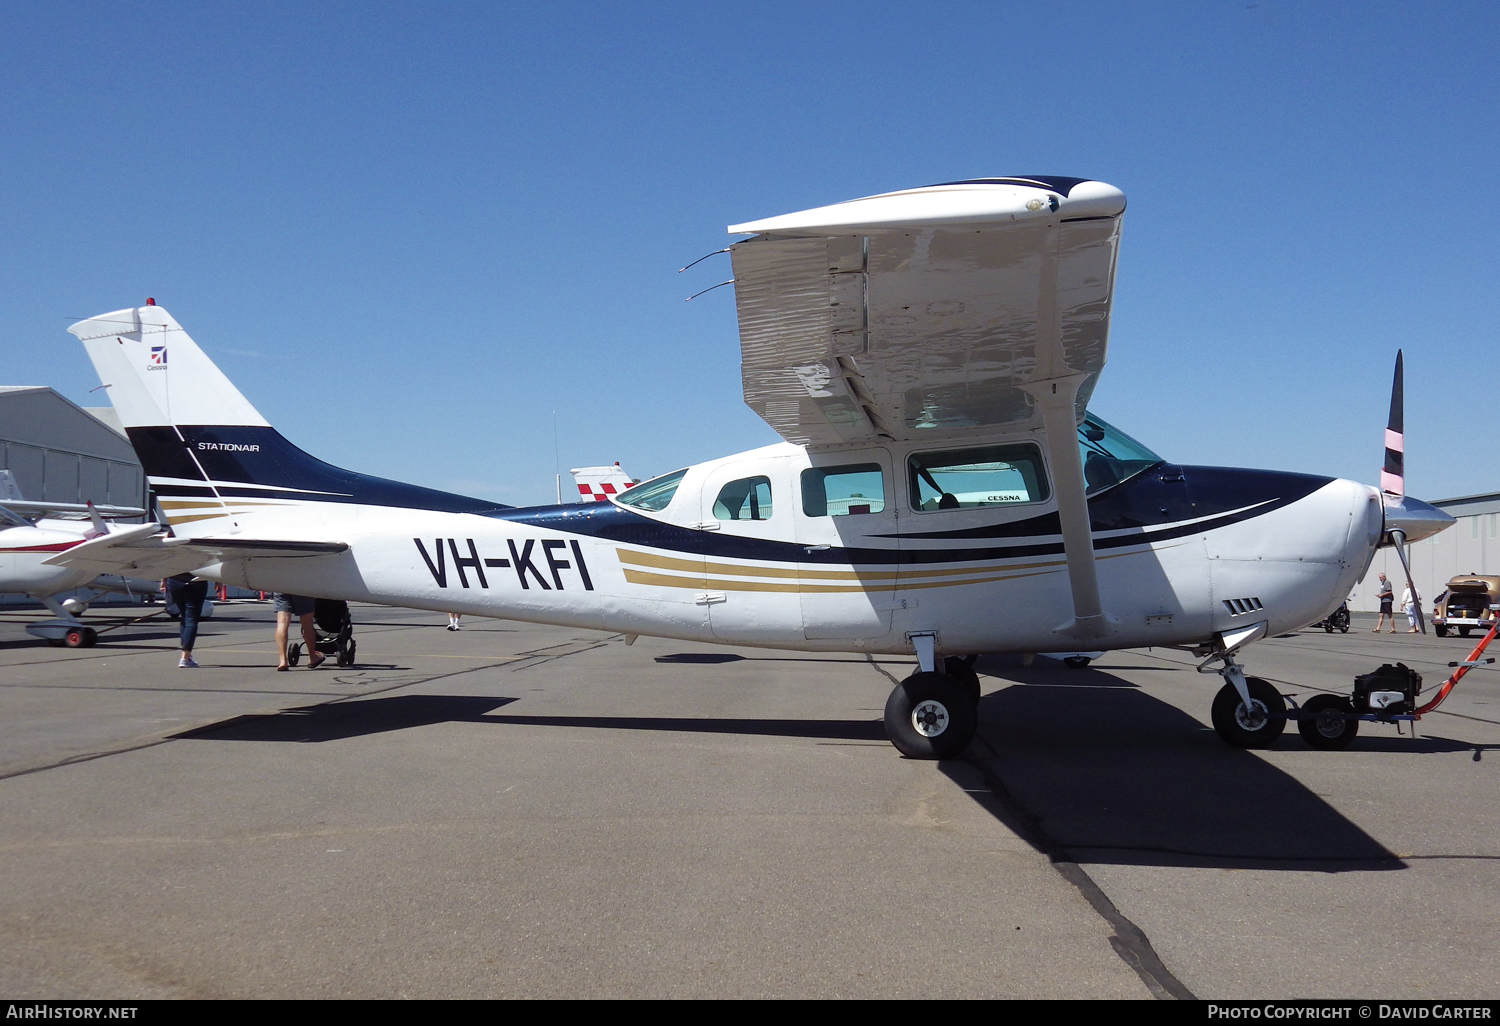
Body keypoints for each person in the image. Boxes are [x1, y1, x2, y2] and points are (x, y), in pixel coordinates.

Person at [167, 572, 208, 668]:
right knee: (191, 619)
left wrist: (163, 580)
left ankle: (187, 656)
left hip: (175, 580)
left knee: (185, 617)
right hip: (197, 581)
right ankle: (185, 657)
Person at [274, 593, 323, 670]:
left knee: (282, 623)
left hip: (281, 586)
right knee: (307, 625)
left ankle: (282, 660)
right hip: (301, 587)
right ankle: (312, 657)